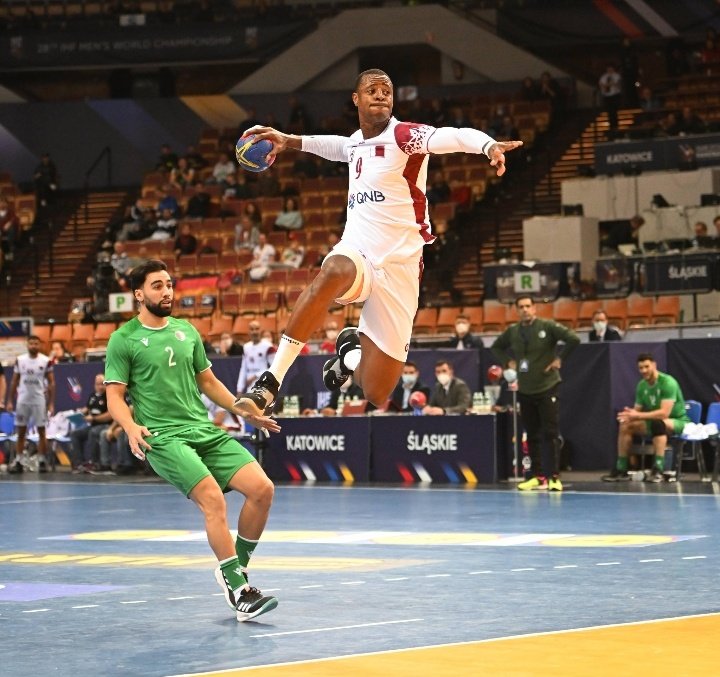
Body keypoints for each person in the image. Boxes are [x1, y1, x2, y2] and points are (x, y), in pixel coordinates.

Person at [233, 69, 522, 421]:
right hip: (359, 254)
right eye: (372, 89)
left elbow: (453, 136)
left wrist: (487, 145)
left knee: (376, 391)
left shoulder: (406, 136)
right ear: (356, 99)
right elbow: (339, 146)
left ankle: (349, 353)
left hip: (401, 267)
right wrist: (288, 140)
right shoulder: (356, 142)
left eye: (387, 89)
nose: (381, 94)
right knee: (333, 270)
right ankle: (270, 382)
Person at [104, 259, 279, 622]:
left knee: (262, 489)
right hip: (163, 438)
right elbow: (115, 397)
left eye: (169, 284)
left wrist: (242, 409)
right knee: (213, 498)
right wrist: (130, 427)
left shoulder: (187, 331)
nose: (166, 291)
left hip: (203, 430)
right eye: (157, 285)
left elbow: (209, 383)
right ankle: (239, 590)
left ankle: (235, 571)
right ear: (138, 294)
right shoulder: (123, 340)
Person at [491, 295, 580, 492]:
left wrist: (560, 359)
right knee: (531, 434)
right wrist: (508, 362)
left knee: (551, 432)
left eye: (528, 306)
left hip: (547, 385)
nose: (524, 309)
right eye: (521, 306)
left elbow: (573, 339)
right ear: (517, 310)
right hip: (525, 388)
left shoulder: (547, 327)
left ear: (534, 308)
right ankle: (538, 477)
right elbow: (496, 346)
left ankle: (554, 477)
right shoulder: (513, 331)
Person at [602, 353, 690, 483]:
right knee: (626, 425)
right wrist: (629, 415)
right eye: (640, 368)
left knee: (658, 424)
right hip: (654, 420)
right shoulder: (641, 385)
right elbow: (637, 410)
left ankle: (658, 469)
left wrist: (637, 415)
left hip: (677, 421)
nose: (643, 370)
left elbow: (664, 413)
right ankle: (622, 469)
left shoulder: (668, 382)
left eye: (646, 367)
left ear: (654, 365)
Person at [7, 335, 55, 473]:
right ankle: (19, 460)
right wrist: (10, 400)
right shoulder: (20, 360)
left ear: (39, 345)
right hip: (23, 400)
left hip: (39, 399)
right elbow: (14, 381)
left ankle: (41, 461)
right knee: (21, 432)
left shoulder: (46, 361)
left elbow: (52, 382)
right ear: (27, 345)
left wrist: (51, 403)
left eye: (36, 343)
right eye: (31, 343)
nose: (33, 346)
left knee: (41, 431)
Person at [69, 372, 113, 472]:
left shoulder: (109, 396)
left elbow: (110, 415)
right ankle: (79, 464)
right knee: (75, 434)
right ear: (94, 385)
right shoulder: (93, 396)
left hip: (106, 425)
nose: (100, 387)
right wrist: (80, 413)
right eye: (98, 384)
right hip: (92, 426)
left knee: (93, 432)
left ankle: (95, 462)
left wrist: (94, 419)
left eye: (102, 384)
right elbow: (87, 408)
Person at [236, 321, 274, 395]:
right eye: (252, 329)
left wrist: (255, 376)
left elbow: (274, 368)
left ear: (260, 331)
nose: (254, 332)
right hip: (250, 385)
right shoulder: (246, 347)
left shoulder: (268, 346)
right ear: (248, 332)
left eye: (257, 329)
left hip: (263, 383)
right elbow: (243, 369)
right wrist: (239, 389)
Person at [598, 64, 622, 136]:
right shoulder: (603, 77)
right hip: (607, 96)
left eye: (610, 69)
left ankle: (616, 126)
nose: (609, 70)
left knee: (614, 111)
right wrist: (608, 85)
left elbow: (617, 84)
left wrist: (610, 84)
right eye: (608, 69)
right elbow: (602, 85)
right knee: (609, 112)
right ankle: (611, 127)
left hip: (615, 95)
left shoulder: (617, 76)